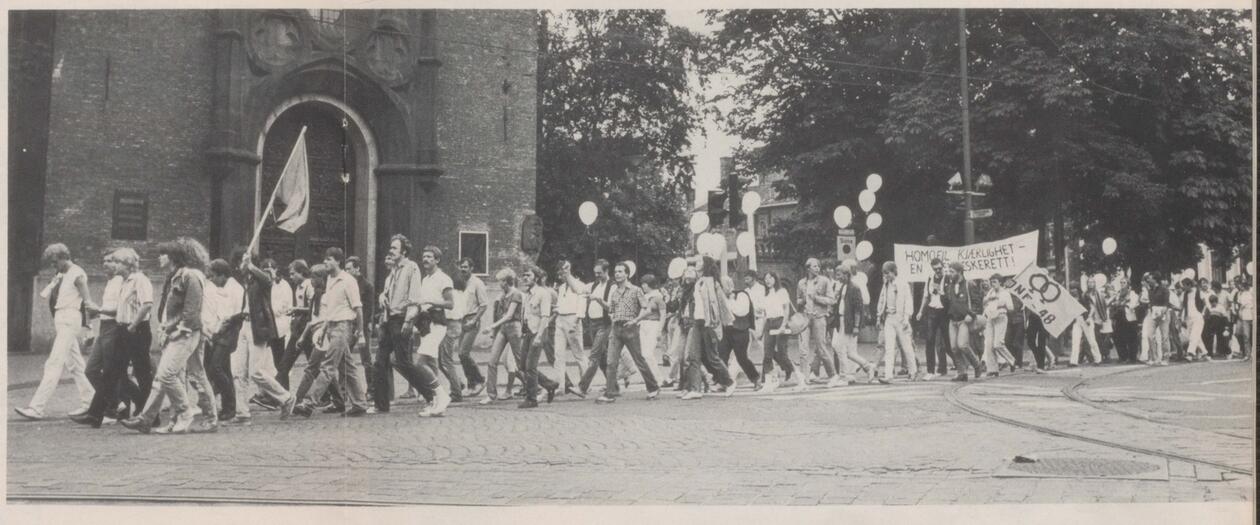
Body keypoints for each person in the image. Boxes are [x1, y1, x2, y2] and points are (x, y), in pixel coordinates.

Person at [120, 238, 217, 434]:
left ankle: (187, 413)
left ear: (173, 257)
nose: (159, 258)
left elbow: (191, 310)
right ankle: (150, 419)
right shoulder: (175, 276)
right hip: (176, 332)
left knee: (168, 374)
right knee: (172, 377)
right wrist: (165, 328)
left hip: (186, 333)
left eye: (162, 254)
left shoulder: (191, 276)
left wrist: (175, 329)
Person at [16, 244, 97, 421]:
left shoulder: (77, 274)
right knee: (76, 365)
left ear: (63, 257)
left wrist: (89, 328)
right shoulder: (63, 274)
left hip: (69, 319)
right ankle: (92, 400)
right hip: (62, 320)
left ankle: (37, 407)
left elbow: (87, 302)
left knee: (54, 363)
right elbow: (48, 295)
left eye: (55, 262)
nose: (54, 265)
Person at [292, 248, 369, 418]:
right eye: (325, 259)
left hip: (343, 327)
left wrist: (361, 333)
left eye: (329, 259)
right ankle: (359, 403)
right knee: (347, 366)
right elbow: (331, 310)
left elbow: (358, 308)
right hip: (331, 326)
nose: (326, 262)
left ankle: (309, 403)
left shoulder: (348, 281)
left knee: (327, 366)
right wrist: (323, 330)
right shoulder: (329, 280)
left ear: (338, 261)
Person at [231, 249, 297, 420]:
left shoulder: (262, 281)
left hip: (257, 328)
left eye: (242, 262)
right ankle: (242, 412)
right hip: (244, 327)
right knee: (239, 371)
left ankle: (286, 398)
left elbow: (267, 280)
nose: (240, 266)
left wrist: (251, 265)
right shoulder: (248, 280)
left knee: (255, 372)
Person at [73, 250, 129, 427]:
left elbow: (120, 309)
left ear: (119, 263)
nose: (106, 264)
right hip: (104, 327)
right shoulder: (111, 281)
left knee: (113, 372)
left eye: (110, 260)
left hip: (114, 328)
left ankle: (115, 408)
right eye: (104, 260)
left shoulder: (122, 281)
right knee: (91, 370)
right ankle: (117, 404)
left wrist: (99, 310)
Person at [598, 262, 662, 403]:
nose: (617, 274)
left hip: (630, 328)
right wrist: (599, 301)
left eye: (621, 271)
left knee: (639, 360)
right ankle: (610, 393)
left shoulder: (636, 290)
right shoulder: (614, 292)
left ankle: (653, 387)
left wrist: (635, 320)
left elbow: (647, 308)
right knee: (611, 362)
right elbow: (611, 309)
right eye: (616, 272)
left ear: (627, 274)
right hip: (616, 328)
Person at [679, 257, 735, 400]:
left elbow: (719, 303)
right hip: (697, 322)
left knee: (712, 357)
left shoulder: (712, 282)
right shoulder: (699, 281)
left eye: (699, 262)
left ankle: (729, 381)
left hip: (708, 323)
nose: (696, 264)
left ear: (705, 265)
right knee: (693, 357)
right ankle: (696, 389)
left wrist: (719, 322)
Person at [482, 267, 525, 404]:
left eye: (500, 281)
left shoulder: (516, 294)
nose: (499, 284)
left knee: (520, 362)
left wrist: (491, 327)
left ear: (506, 282)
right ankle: (491, 394)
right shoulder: (502, 296)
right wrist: (495, 331)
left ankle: (537, 387)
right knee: (492, 361)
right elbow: (499, 315)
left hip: (514, 328)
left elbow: (509, 315)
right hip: (503, 329)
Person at [519, 265, 560, 408]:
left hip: (538, 332)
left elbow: (545, 316)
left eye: (528, 275)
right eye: (524, 275)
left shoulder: (543, 293)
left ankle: (532, 399)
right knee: (522, 365)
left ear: (536, 278)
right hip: (528, 332)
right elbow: (525, 315)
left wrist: (539, 336)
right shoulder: (527, 294)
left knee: (530, 366)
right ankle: (549, 384)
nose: (525, 278)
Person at [796, 258, 838, 384]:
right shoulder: (801, 283)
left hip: (819, 317)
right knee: (803, 349)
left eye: (818, 266)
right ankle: (804, 377)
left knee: (821, 347)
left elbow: (831, 300)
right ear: (808, 268)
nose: (817, 269)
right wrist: (801, 301)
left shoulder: (824, 281)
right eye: (814, 266)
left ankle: (833, 375)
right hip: (805, 318)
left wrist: (816, 298)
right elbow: (798, 299)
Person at [876, 262, 919, 384]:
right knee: (889, 347)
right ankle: (888, 374)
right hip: (889, 318)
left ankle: (913, 371)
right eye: (884, 273)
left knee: (906, 346)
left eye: (888, 273)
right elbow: (881, 300)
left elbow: (908, 302)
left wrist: (906, 318)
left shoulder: (902, 284)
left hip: (900, 318)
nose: (886, 276)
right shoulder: (885, 285)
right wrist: (879, 316)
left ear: (894, 271)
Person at [718, 275, 762, 392]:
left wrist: (730, 300)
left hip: (740, 331)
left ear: (729, 285)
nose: (720, 289)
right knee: (721, 356)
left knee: (741, 358)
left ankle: (756, 379)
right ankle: (724, 382)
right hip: (726, 330)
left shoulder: (741, 295)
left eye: (722, 286)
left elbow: (741, 312)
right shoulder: (720, 298)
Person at [577, 260, 615, 396]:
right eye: (595, 273)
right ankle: (614, 386)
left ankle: (582, 387)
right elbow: (578, 288)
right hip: (592, 324)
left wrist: (597, 299)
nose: (597, 275)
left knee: (594, 355)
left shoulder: (612, 286)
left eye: (600, 273)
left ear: (606, 272)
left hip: (604, 324)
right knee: (602, 357)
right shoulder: (594, 285)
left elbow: (610, 307)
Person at [554, 259, 590, 398]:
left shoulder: (579, 285)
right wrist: (556, 310)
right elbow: (561, 303)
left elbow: (581, 302)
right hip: (560, 320)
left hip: (572, 320)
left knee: (579, 354)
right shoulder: (562, 287)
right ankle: (560, 386)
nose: (560, 275)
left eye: (562, 272)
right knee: (558, 354)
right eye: (560, 273)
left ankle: (585, 384)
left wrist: (576, 321)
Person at [832, 265, 872, 385]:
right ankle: (868, 366)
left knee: (839, 348)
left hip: (848, 322)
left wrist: (856, 326)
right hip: (841, 321)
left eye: (840, 275)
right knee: (849, 352)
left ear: (847, 275)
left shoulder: (854, 288)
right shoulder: (843, 287)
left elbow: (858, 309)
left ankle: (844, 376)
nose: (837, 277)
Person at [456, 258, 489, 398]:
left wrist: (475, 320)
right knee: (461, 354)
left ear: (471, 268)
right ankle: (471, 384)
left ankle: (480, 380)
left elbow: (484, 304)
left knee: (463, 353)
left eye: (465, 267)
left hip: (472, 320)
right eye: (461, 267)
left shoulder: (477, 283)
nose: (463, 269)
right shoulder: (464, 283)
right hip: (463, 320)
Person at [757, 271, 796, 392]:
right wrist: (761, 331)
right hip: (769, 323)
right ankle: (768, 381)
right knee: (768, 353)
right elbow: (764, 314)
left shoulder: (782, 292)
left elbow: (786, 309)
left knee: (782, 351)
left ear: (775, 278)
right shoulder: (766, 295)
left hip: (780, 321)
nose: (767, 280)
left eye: (770, 278)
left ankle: (792, 371)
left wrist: (783, 325)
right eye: (766, 278)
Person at [943, 262, 982, 381]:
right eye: (948, 271)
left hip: (964, 320)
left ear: (960, 272)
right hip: (953, 320)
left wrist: (972, 314)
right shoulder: (949, 286)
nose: (949, 274)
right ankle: (962, 372)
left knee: (963, 345)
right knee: (954, 348)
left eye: (952, 272)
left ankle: (977, 364)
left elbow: (977, 302)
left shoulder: (969, 284)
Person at [915, 258, 950, 379]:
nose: (938, 271)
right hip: (932, 310)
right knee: (930, 340)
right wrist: (920, 311)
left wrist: (942, 292)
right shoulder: (930, 278)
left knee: (947, 341)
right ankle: (930, 370)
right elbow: (926, 296)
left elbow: (951, 296)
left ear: (943, 266)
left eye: (940, 268)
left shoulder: (948, 278)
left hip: (944, 311)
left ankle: (959, 366)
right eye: (935, 269)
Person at [981, 274, 1017, 377]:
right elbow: (984, 303)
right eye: (991, 282)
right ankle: (992, 369)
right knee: (989, 344)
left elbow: (1011, 308)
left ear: (1000, 282)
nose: (993, 284)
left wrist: (1002, 304)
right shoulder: (990, 292)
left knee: (998, 343)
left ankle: (1012, 360)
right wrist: (988, 299)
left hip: (1000, 317)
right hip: (990, 318)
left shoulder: (1005, 293)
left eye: (995, 282)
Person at [262, 258, 292, 377]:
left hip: (279, 326)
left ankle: (283, 386)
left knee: (279, 359)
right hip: (266, 327)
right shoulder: (263, 285)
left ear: (276, 270)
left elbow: (283, 307)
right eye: (265, 271)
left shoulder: (283, 285)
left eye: (271, 270)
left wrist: (266, 311)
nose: (268, 274)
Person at [638, 273, 668, 387]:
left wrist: (660, 330)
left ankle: (658, 379)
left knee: (648, 354)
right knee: (643, 354)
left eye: (644, 284)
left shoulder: (658, 297)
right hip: (643, 325)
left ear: (649, 284)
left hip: (653, 325)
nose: (643, 286)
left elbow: (663, 315)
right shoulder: (645, 297)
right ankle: (653, 379)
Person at [1181, 277, 1210, 361]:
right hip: (1188, 318)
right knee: (1195, 337)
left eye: (1185, 285)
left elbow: (1206, 303)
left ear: (1189, 285)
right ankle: (1205, 353)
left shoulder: (1198, 292)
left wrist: (1203, 313)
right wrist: (1181, 317)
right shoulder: (1184, 294)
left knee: (1194, 336)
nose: (1184, 287)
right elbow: (1182, 306)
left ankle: (1190, 354)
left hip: (1198, 317)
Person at [1231, 278, 1252, 360]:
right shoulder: (1239, 293)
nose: (1239, 286)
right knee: (1237, 333)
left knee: (1247, 335)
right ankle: (1244, 351)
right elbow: (1238, 304)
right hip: (1241, 316)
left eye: (1240, 284)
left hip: (1249, 314)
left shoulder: (1251, 291)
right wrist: (1237, 311)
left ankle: (1248, 354)